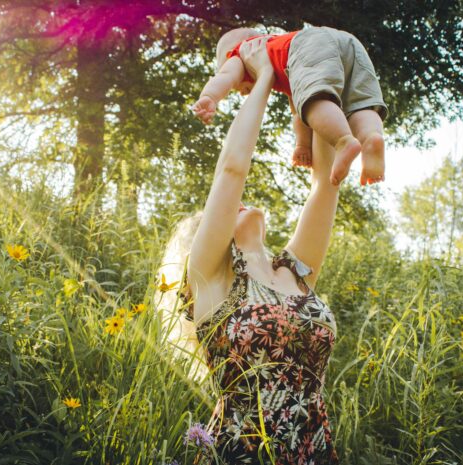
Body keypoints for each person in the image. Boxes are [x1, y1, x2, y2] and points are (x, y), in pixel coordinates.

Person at [161, 37, 341, 464]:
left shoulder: (294, 272)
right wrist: (261, 78)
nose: (237, 203)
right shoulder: (212, 277)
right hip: (242, 453)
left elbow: (326, 184)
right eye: (225, 212)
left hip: (314, 452)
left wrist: (308, 81)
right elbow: (232, 168)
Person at [192, 26, 389, 187]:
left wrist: (210, 96)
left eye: (238, 89)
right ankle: (371, 138)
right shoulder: (285, 59)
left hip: (309, 43)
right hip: (348, 42)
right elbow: (299, 112)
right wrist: (303, 145)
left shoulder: (243, 53)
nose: (242, 92)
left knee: (315, 102)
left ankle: (344, 141)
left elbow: (226, 76)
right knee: (359, 103)